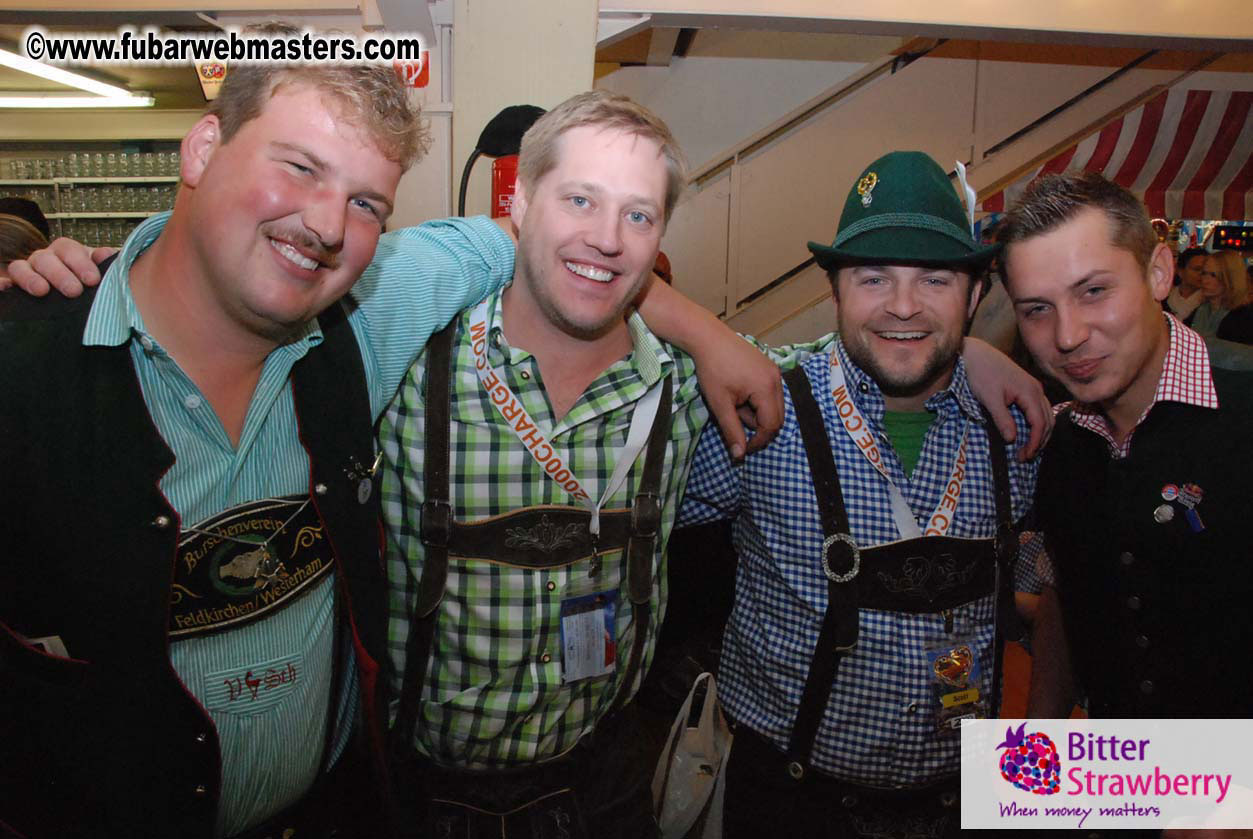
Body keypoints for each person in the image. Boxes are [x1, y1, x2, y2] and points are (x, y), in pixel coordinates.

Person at [0, 53, 783, 839]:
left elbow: (560, 249)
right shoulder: (27, 371)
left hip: (364, 806)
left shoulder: (360, 328)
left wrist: (711, 336)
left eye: (366, 202)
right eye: (300, 167)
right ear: (203, 148)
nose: (327, 223)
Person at [676, 151, 1043, 839]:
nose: (902, 306)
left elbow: (1037, 584)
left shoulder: (1016, 430)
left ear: (973, 293)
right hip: (791, 805)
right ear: (833, 289)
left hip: (963, 802)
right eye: (873, 277)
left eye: (934, 279)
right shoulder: (760, 416)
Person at [998, 172, 1253, 723]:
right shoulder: (1061, 439)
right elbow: (1067, 601)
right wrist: (1036, 758)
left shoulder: (1243, 404)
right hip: (1120, 779)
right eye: (1037, 309)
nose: (1067, 336)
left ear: (1159, 272)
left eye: (1094, 291)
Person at [1192, 250, 1253, 344]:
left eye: (1213, 275)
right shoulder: (1200, 310)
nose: (1205, 281)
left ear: (1230, 278)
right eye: (1204, 273)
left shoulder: (1245, 318)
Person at [1164, 246, 1207, 321]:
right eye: (1197, 269)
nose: (1201, 274)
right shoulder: (1165, 301)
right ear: (1180, 271)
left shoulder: (1207, 304)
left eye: (1205, 271)